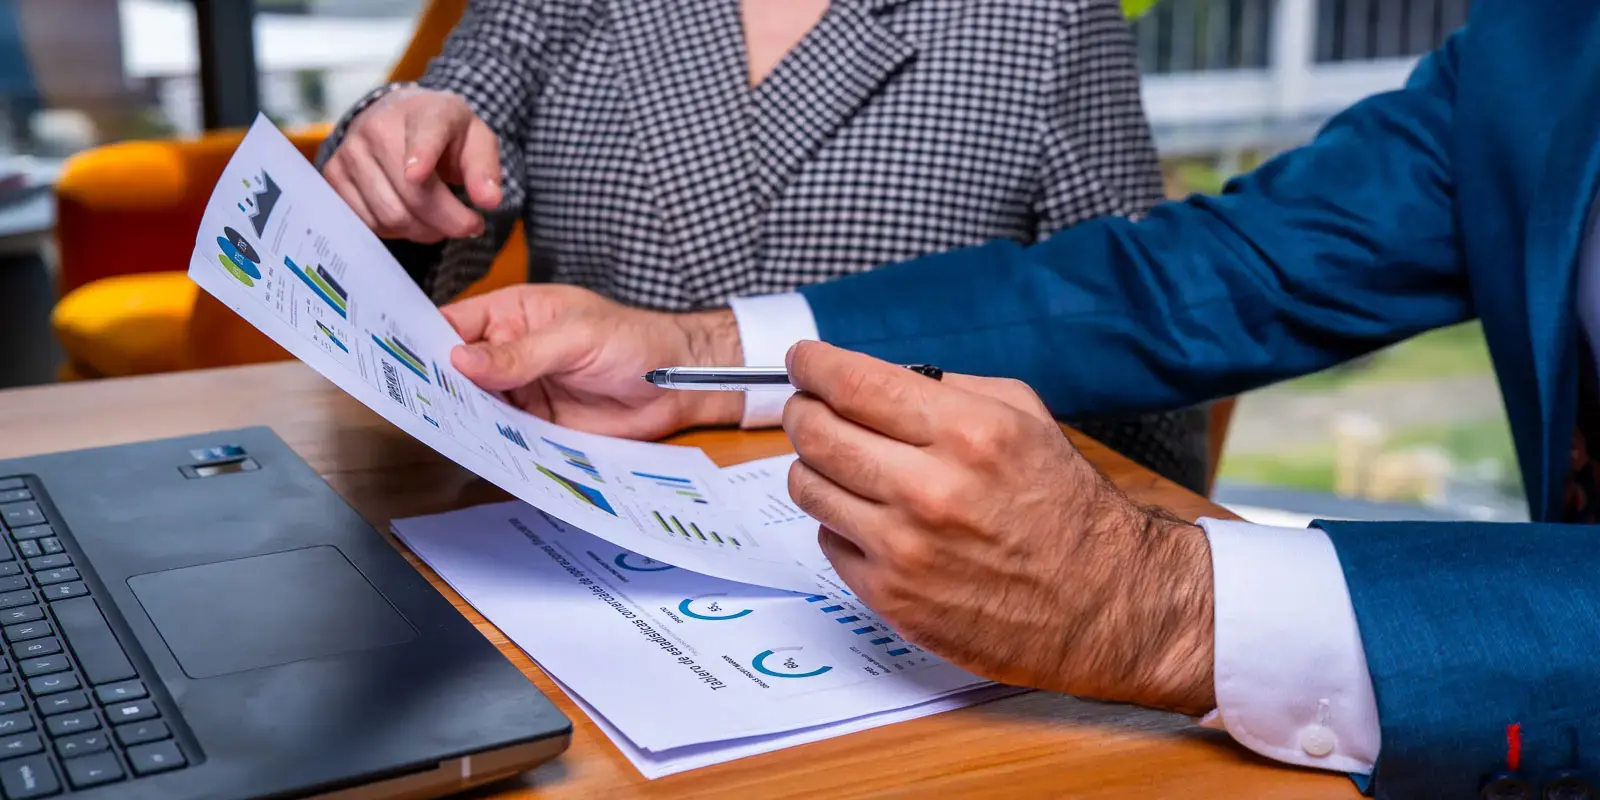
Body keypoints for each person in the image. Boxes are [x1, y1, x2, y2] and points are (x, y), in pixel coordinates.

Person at [435, 1, 1600, 796]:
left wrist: (1167, 606)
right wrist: (705, 347)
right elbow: (1205, 274)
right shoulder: (1539, 38)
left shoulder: (1037, 28)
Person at [315, 0, 1215, 494]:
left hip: (912, 552)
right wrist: (392, 157)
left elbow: (1133, 341)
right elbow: (451, 123)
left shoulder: (1050, 19)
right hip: (574, 513)